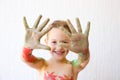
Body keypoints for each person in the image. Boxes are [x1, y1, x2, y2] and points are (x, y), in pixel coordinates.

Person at [21, 15, 90, 80]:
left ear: (71, 42)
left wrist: (84, 51)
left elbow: (83, 60)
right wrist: (27, 47)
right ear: (46, 42)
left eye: (64, 42)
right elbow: (26, 59)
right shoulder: (42, 64)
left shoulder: (72, 67)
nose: (59, 47)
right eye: (54, 42)